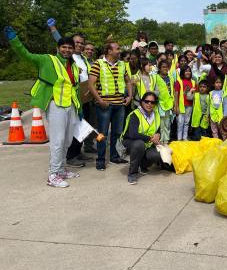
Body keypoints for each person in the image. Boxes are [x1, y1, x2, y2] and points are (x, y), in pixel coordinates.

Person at [5, 26, 82, 187]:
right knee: (58, 140)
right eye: (64, 47)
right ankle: (53, 175)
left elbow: (74, 89)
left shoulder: (73, 66)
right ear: (58, 48)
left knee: (67, 140)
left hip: (71, 107)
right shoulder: (47, 60)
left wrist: (79, 109)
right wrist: (14, 40)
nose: (67, 50)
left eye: (69, 47)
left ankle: (61, 170)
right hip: (55, 106)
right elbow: (25, 55)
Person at [47, 20, 93, 166]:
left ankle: (78, 152)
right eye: (77, 43)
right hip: (71, 97)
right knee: (72, 129)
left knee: (82, 127)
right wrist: (53, 28)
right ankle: (70, 157)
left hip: (85, 97)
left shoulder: (85, 59)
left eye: (82, 43)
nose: (79, 45)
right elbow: (60, 41)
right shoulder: (69, 56)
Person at [88, 40, 133, 170]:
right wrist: (100, 100)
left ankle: (114, 157)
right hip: (104, 105)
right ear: (109, 51)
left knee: (117, 132)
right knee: (102, 133)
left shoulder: (122, 65)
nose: (119, 51)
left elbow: (128, 81)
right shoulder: (98, 64)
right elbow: (91, 85)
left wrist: (129, 96)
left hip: (119, 105)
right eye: (117, 48)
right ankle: (100, 160)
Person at [121, 92, 162, 185]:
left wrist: (158, 135)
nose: (149, 104)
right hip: (129, 142)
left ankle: (143, 165)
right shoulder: (135, 114)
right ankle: (132, 173)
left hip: (146, 143)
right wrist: (150, 138)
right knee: (139, 144)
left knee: (157, 155)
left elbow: (158, 130)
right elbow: (132, 134)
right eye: (146, 101)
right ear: (141, 102)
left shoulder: (156, 115)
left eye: (152, 102)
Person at [155, 60, 175, 144]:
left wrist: (174, 104)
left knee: (167, 123)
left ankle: (166, 140)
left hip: (169, 104)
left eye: (166, 67)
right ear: (159, 68)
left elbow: (173, 91)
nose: (165, 68)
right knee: (160, 124)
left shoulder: (171, 78)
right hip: (159, 105)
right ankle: (160, 141)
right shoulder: (155, 77)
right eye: (163, 67)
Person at [174, 66, 195, 141]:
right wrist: (176, 106)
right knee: (180, 123)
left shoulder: (193, 82)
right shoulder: (179, 81)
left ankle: (185, 138)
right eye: (186, 71)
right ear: (183, 72)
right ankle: (179, 139)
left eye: (189, 71)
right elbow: (176, 95)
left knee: (186, 123)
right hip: (181, 106)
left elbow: (194, 94)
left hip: (189, 105)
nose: (188, 72)